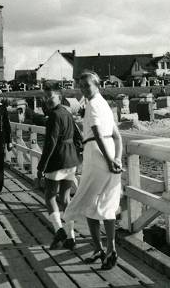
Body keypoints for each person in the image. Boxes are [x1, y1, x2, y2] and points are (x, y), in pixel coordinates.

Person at [63, 71, 123, 270]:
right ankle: (108, 248)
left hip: (96, 152)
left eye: (87, 85)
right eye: (80, 85)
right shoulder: (105, 105)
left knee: (88, 199)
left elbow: (96, 132)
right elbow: (117, 136)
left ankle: (101, 248)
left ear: (97, 85)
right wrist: (116, 157)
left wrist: (109, 159)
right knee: (107, 202)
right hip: (109, 150)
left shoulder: (93, 104)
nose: (83, 88)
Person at [37, 86, 82, 250]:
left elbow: (51, 143)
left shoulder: (53, 115)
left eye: (50, 96)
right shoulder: (67, 113)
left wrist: (41, 166)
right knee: (65, 198)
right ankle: (71, 237)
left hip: (57, 160)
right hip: (71, 160)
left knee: (49, 196)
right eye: (45, 97)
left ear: (59, 97)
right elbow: (78, 136)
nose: (47, 100)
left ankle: (59, 230)